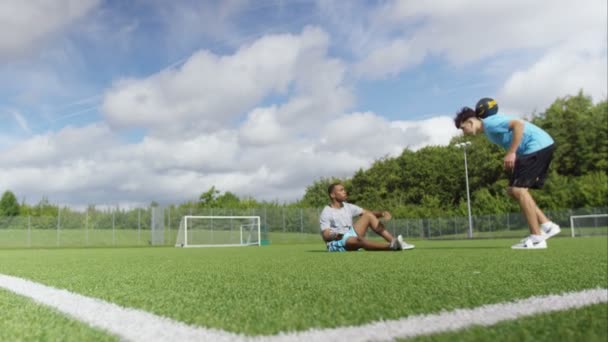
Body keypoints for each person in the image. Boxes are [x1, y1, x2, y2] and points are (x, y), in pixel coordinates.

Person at [454, 98, 561, 249]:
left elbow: (518, 125)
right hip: (537, 148)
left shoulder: (489, 123)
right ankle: (547, 225)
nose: (464, 133)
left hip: (536, 147)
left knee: (519, 190)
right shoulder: (488, 129)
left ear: (470, 121)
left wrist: (511, 153)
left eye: (462, 128)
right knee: (513, 190)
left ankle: (537, 238)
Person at [319, 182, 415, 252]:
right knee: (360, 240)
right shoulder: (326, 212)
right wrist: (335, 235)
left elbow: (368, 213)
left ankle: (395, 241)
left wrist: (381, 214)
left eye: (344, 190)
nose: (345, 192)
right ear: (332, 195)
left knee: (368, 215)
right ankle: (392, 246)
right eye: (341, 190)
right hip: (337, 241)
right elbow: (325, 235)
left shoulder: (348, 206)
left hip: (350, 234)